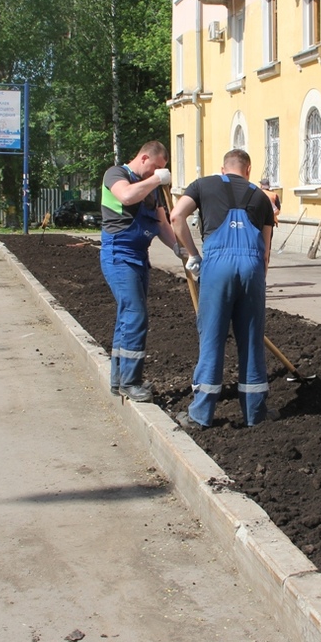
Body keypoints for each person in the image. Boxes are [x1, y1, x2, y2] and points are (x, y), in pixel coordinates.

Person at [170, 149, 276, 429]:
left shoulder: (202, 185)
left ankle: (200, 415)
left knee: (212, 338)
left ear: (223, 168)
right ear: (248, 170)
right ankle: (255, 414)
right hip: (252, 268)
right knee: (251, 339)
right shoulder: (262, 197)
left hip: (217, 266)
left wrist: (193, 255)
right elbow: (265, 253)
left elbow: (176, 217)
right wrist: (255, 282)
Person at [100, 141, 179, 402]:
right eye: (155, 167)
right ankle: (130, 383)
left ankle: (119, 380)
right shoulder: (116, 174)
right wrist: (155, 179)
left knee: (127, 317)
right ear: (144, 158)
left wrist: (179, 248)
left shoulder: (151, 189)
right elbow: (126, 196)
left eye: (161, 170)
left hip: (139, 257)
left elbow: (161, 223)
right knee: (135, 315)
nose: (157, 173)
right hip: (119, 255)